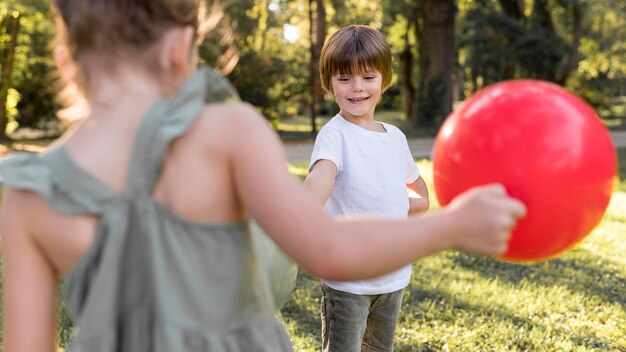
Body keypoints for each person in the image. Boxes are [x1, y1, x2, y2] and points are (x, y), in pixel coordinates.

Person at [0, 1, 526, 351]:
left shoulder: (25, 191)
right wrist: (452, 227)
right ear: (183, 48)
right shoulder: (230, 131)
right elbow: (328, 250)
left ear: (66, 61)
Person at [303, 24, 429, 352]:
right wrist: (299, 215)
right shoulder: (335, 135)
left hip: (392, 278)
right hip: (347, 280)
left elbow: (421, 196)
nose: (357, 87)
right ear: (329, 84)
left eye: (368, 77)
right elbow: (321, 177)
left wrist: (393, 206)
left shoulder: (395, 137)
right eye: (344, 78)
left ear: (384, 80)